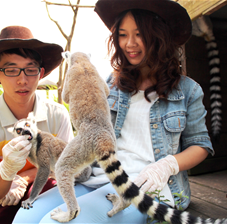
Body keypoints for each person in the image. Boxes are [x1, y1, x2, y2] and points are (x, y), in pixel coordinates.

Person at [13, 0, 214, 223]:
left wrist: (167, 166)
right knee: (25, 217)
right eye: (123, 34)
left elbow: (201, 145)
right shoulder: (110, 82)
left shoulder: (187, 90)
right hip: (97, 175)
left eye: (139, 34)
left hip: (142, 184)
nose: (130, 43)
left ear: (158, 36)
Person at [0, 26, 74, 224]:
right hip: (1, 189)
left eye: (30, 70)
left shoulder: (57, 115)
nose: (22, 80)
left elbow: (65, 166)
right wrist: (7, 171)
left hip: (45, 183)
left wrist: (24, 179)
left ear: (40, 73)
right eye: (11, 70)